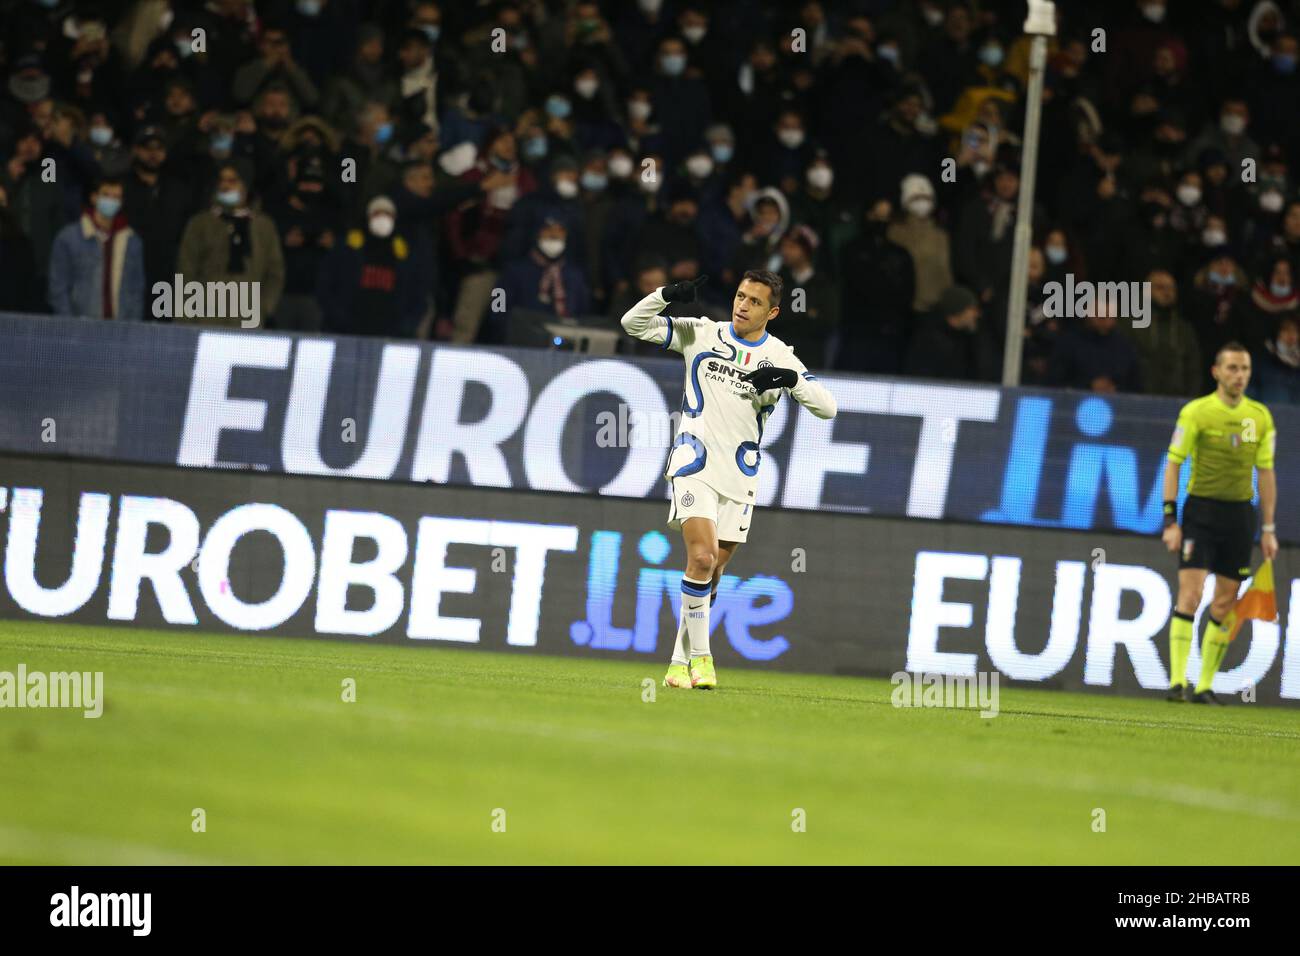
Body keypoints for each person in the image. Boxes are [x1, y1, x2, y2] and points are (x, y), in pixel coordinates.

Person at [619, 269, 837, 690]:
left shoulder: (780, 356)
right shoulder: (701, 334)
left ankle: (677, 663)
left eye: (755, 302)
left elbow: (828, 409)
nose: (743, 305)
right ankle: (702, 658)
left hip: (741, 475)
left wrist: (792, 381)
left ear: (772, 312)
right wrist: (665, 295)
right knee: (700, 558)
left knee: (712, 573)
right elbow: (632, 324)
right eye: (740, 296)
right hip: (693, 462)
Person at [1161, 342, 1278, 703]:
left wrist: (1268, 528)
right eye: (1232, 368)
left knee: (1225, 603)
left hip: (1240, 516)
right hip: (1201, 513)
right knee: (1191, 595)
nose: (1239, 375)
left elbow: (1266, 472)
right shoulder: (1197, 413)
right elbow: (1174, 462)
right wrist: (1171, 519)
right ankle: (1177, 683)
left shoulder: (1259, 417)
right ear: (1216, 372)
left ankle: (1205, 685)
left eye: (1244, 369)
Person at [47, 176, 145, 320]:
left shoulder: (132, 241)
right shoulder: (68, 238)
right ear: (94, 197)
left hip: (120, 330)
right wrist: (68, 325)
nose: (111, 201)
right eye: (106, 195)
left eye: (116, 197)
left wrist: (131, 328)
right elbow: (58, 289)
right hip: (79, 328)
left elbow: (137, 290)